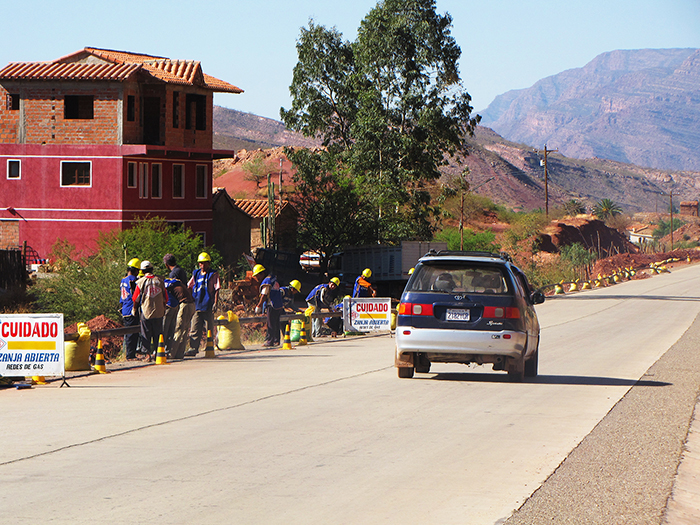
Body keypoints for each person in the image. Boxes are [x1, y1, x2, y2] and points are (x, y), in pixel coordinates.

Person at [186, 252, 221, 357]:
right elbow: (189, 286)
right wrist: (191, 299)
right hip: (197, 305)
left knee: (209, 327)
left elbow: (217, 289)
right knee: (195, 328)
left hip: (208, 305)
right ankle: (193, 348)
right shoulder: (196, 274)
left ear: (209, 263)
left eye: (205, 263)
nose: (203, 265)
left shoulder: (213, 274)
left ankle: (210, 347)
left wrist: (215, 303)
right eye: (201, 263)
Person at [132, 260, 168, 360]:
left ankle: (147, 354)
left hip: (146, 311)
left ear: (142, 271)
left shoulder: (141, 282)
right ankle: (158, 353)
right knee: (158, 333)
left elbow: (135, 298)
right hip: (159, 311)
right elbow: (165, 297)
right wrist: (163, 307)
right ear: (152, 269)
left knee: (145, 333)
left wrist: (134, 309)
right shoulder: (160, 280)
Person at [163, 276, 195, 359]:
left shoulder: (166, 285)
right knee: (184, 330)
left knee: (178, 329)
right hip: (191, 304)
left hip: (184, 304)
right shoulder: (175, 283)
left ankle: (172, 353)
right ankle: (179, 353)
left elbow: (169, 301)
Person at [255, 267, 284, 347]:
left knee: (271, 323)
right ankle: (276, 340)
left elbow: (264, 295)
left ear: (262, 273)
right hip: (278, 304)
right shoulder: (273, 278)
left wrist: (259, 306)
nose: (257, 278)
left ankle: (270, 341)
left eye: (257, 275)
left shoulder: (267, 281)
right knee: (276, 323)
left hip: (272, 304)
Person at [120, 258, 141, 360]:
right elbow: (136, 296)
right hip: (132, 309)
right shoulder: (134, 280)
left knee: (129, 333)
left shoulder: (123, 280)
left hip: (125, 308)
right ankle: (130, 355)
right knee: (132, 334)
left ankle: (130, 354)